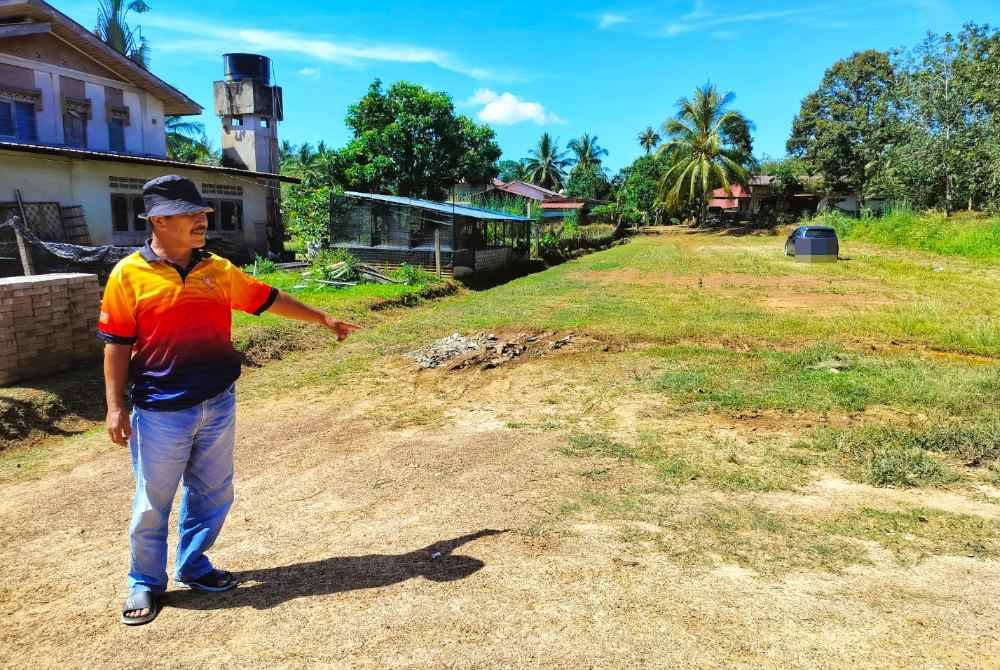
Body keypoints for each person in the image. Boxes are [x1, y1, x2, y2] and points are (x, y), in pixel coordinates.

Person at [98, 175, 360, 626]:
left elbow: (266, 298)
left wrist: (322, 318)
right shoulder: (129, 274)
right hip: (161, 410)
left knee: (214, 493)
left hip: (218, 402)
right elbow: (116, 344)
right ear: (158, 220)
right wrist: (115, 406)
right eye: (191, 213)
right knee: (151, 501)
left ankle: (194, 565)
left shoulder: (217, 269)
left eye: (202, 213)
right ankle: (144, 582)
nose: (202, 220)